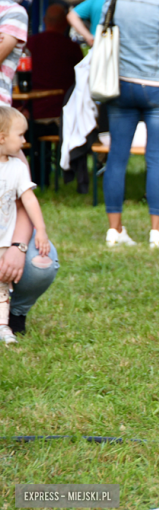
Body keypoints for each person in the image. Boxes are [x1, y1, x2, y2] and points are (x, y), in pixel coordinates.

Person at [101, 0, 159, 248]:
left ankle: (114, 230)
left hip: (120, 83)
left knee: (116, 157)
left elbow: (103, 33)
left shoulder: (115, 1)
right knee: (157, 158)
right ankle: (157, 232)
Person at [0, 0, 58, 338]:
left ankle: (13, 314)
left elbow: (26, 201)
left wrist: (19, 248)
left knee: (40, 265)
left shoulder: (13, 11)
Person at [0, 107, 50, 344]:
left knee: (4, 284)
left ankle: (7, 323)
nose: (24, 140)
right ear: (2, 137)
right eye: (20, 135)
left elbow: (28, 200)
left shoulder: (17, 167)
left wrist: (39, 230)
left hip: (5, 237)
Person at [24, 4, 83, 121]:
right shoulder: (71, 47)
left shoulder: (29, 44)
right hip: (63, 111)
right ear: (66, 23)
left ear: (44, 21)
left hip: (31, 109)